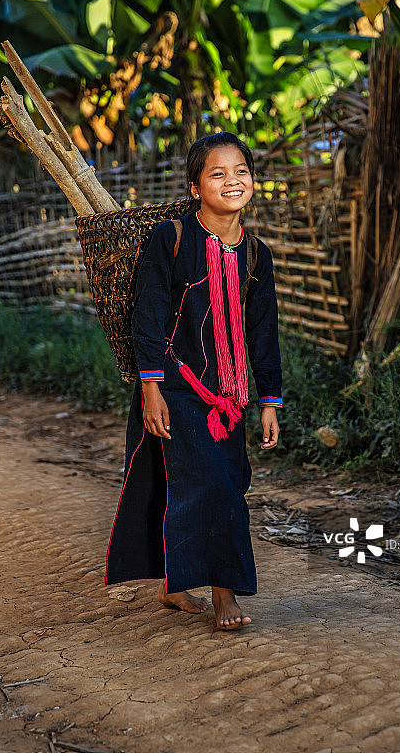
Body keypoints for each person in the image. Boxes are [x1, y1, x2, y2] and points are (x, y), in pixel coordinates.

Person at [105, 132, 282, 631]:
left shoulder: (256, 255)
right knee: (212, 486)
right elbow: (149, 313)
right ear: (195, 186)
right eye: (218, 173)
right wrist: (151, 389)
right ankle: (224, 594)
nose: (233, 180)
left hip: (230, 395)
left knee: (203, 482)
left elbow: (263, 331)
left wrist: (268, 399)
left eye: (241, 170)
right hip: (178, 387)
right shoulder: (173, 238)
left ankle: (173, 586)